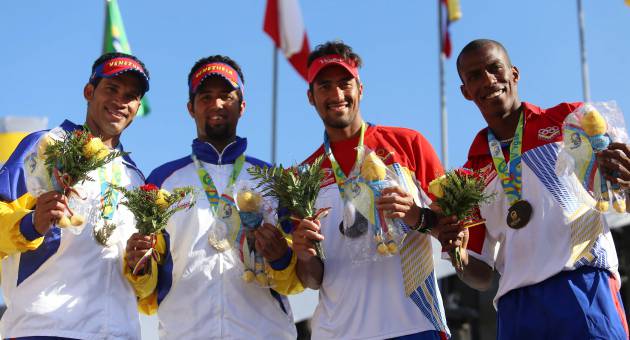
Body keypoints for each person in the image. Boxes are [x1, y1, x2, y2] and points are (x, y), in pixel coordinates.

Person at [438, 38, 629, 339]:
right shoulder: (468, 175)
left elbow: (620, 197)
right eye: (474, 76)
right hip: (517, 307)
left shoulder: (570, 121)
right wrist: (456, 252)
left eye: (494, 68)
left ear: (514, 73)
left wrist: (625, 179)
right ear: (465, 91)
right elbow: (480, 275)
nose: (488, 80)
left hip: (582, 282)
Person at [124, 55, 303, 339]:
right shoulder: (162, 181)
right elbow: (145, 290)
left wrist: (281, 257)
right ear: (190, 108)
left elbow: (297, 279)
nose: (216, 104)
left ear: (242, 106)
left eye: (226, 96)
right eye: (205, 97)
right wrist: (139, 266)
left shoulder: (272, 179)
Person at [292, 41, 450, 339]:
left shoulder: (408, 144)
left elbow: (454, 231)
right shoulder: (303, 177)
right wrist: (304, 255)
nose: (337, 94)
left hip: (414, 325)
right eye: (325, 86)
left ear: (360, 88)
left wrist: (418, 216)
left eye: (344, 83)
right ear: (311, 97)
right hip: (337, 332)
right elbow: (311, 279)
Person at [0, 52, 150, 339]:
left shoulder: (136, 179)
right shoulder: (46, 145)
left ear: (137, 107)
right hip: (44, 327)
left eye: (130, 95)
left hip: (120, 333)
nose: (120, 101)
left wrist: (140, 264)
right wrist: (30, 224)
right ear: (89, 92)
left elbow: (143, 290)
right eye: (112, 89)